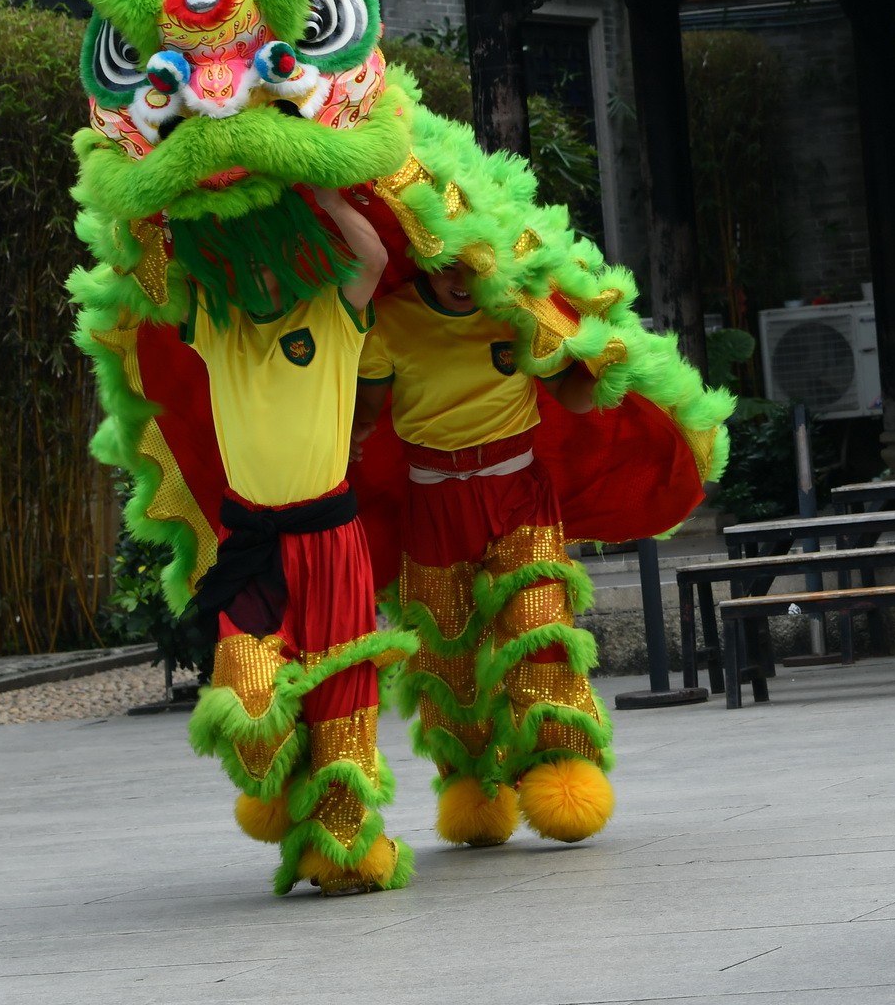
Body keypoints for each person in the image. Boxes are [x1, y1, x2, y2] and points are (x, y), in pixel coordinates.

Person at [187, 184, 412, 895]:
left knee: (344, 699)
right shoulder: (212, 325)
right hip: (253, 547)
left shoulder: (333, 311)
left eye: (271, 255)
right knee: (251, 707)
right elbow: (145, 267)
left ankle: (343, 847)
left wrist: (321, 195)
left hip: (332, 539)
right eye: (243, 257)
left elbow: (371, 256)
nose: (259, 272)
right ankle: (287, 792)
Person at [355, 259, 611, 850]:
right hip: (433, 502)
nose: (462, 276)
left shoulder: (516, 308)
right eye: (447, 264)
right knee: (447, 657)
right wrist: (349, 427)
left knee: (540, 629)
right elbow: (366, 409)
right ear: (422, 255)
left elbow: (571, 396)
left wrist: (603, 351)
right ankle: (473, 788)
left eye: (475, 262)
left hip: (518, 492)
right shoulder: (389, 319)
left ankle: (562, 772)